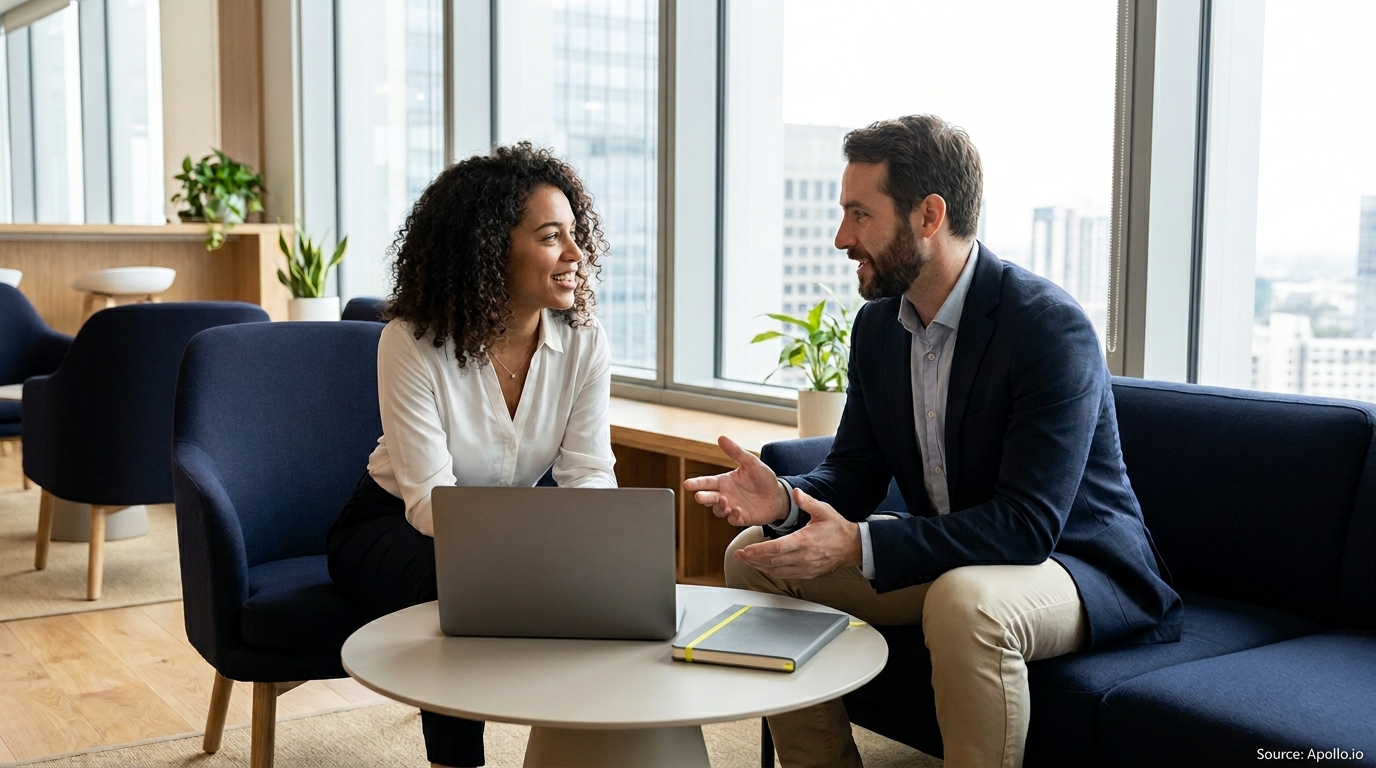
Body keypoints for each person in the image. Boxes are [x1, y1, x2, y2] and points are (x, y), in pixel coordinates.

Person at [683, 115, 1181, 768]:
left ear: (928, 215)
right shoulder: (878, 329)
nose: (841, 237)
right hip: (963, 557)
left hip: (1077, 565)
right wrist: (781, 499)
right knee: (754, 555)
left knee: (962, 601)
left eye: (860, 215)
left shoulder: (1047, 329)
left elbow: (1028, 526)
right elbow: (855, 473)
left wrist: (861, 543)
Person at [327, 143, 617, 768]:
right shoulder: (411, 343)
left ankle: (582, 741)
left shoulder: (585, 343)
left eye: (575, 235)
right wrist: (524, 551)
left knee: (604, 582)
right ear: (489, 249)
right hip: (390, 523)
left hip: (505, 529)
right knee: (455, 581)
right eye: (550, 237)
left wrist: (591, 545)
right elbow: (432, 498)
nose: (575, 255)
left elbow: (588, 474)